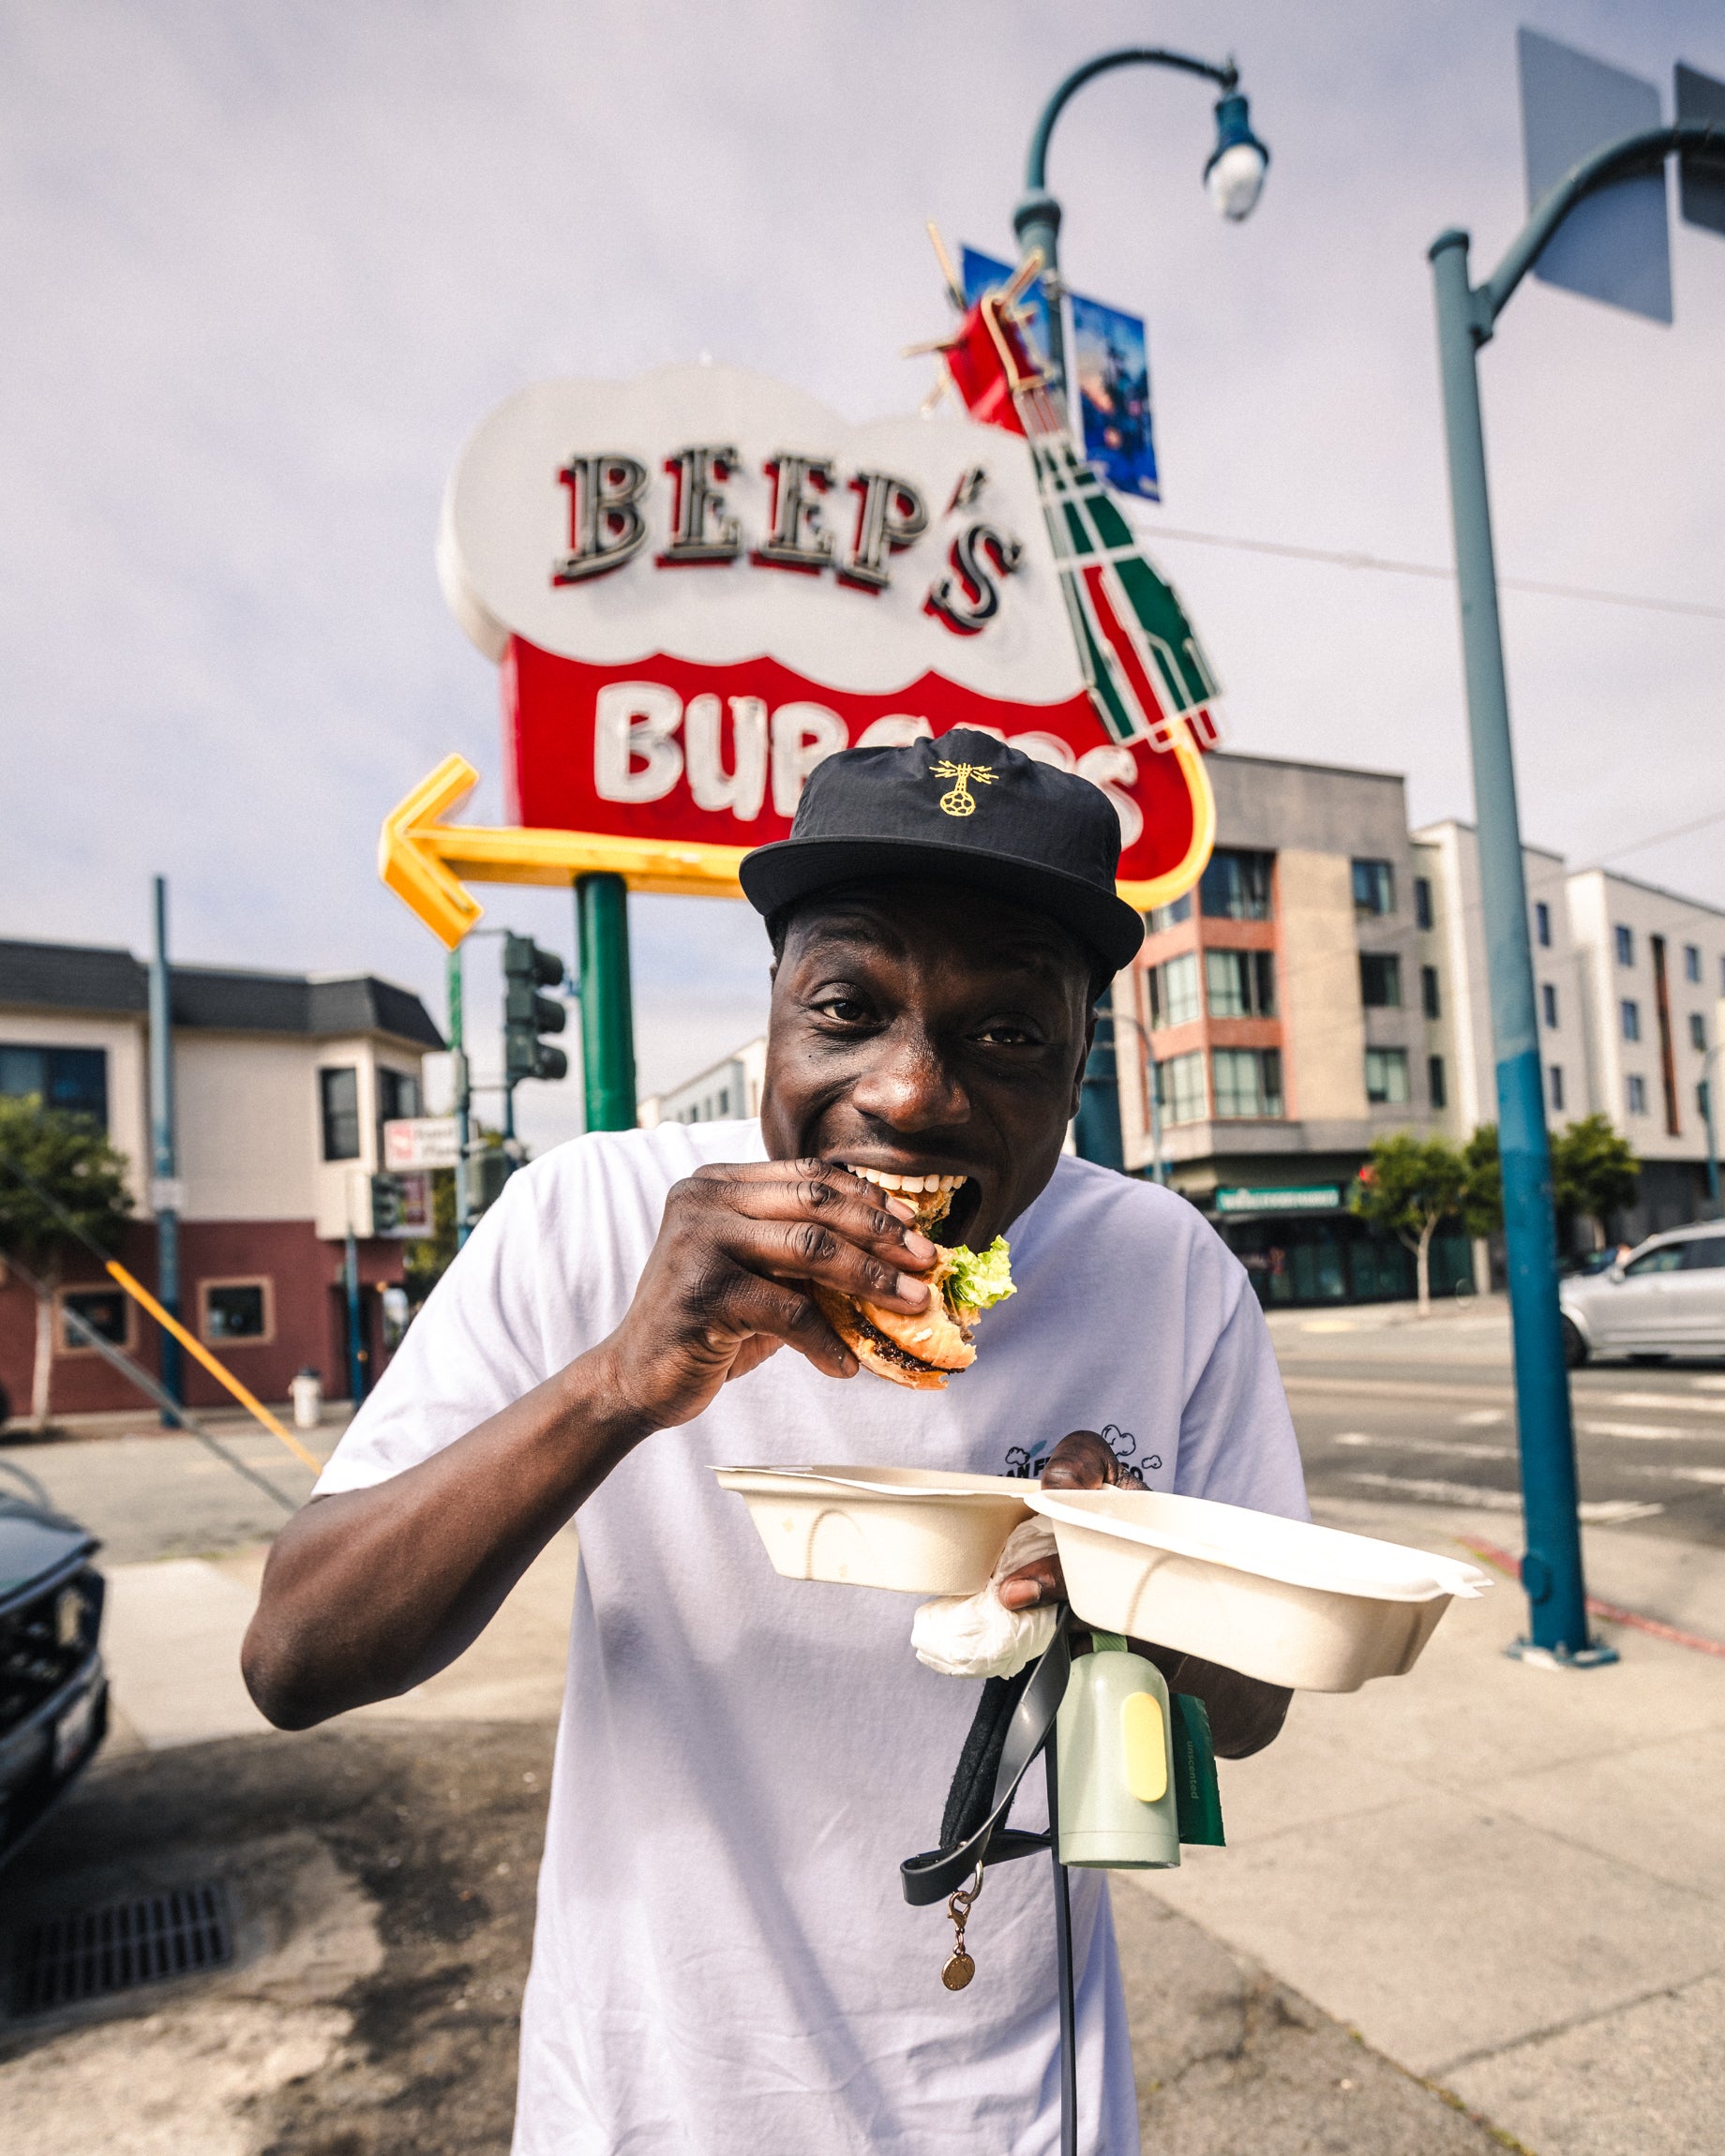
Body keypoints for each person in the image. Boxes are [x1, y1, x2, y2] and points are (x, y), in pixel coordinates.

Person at [244, 728, 1308, 2156]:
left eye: (1006, 1037)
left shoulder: (1166, 1273)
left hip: (1021, 2111)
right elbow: (295, 1657)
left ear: (1078, 1067)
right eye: (850, 1007)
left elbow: (1252, 1710)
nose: (912, 1093)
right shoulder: (584, 1220)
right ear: (775, 1014)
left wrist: (1138, 1581)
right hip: (655, 2105)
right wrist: (619, 1385)